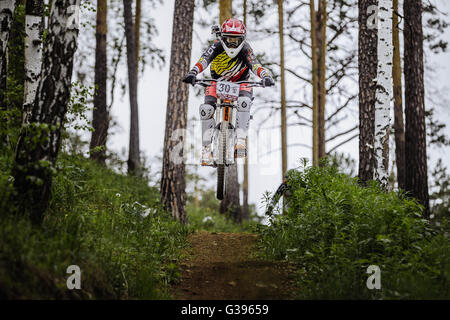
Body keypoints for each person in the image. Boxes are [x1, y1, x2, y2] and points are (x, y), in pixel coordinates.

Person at [182, 18, 275, 166]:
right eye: (229, 39)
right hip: (216, 82)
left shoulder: (245, 48)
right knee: (206, 110)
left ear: (242, 39)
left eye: (236, 40)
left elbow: (255, 65)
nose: (232, 43)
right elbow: (204, 60)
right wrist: (193, 72)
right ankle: (206, 149)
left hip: (241, 83)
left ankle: (241, 142)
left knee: (244, 103)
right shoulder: (216, 46)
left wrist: (266, 76)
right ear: (222, 37)